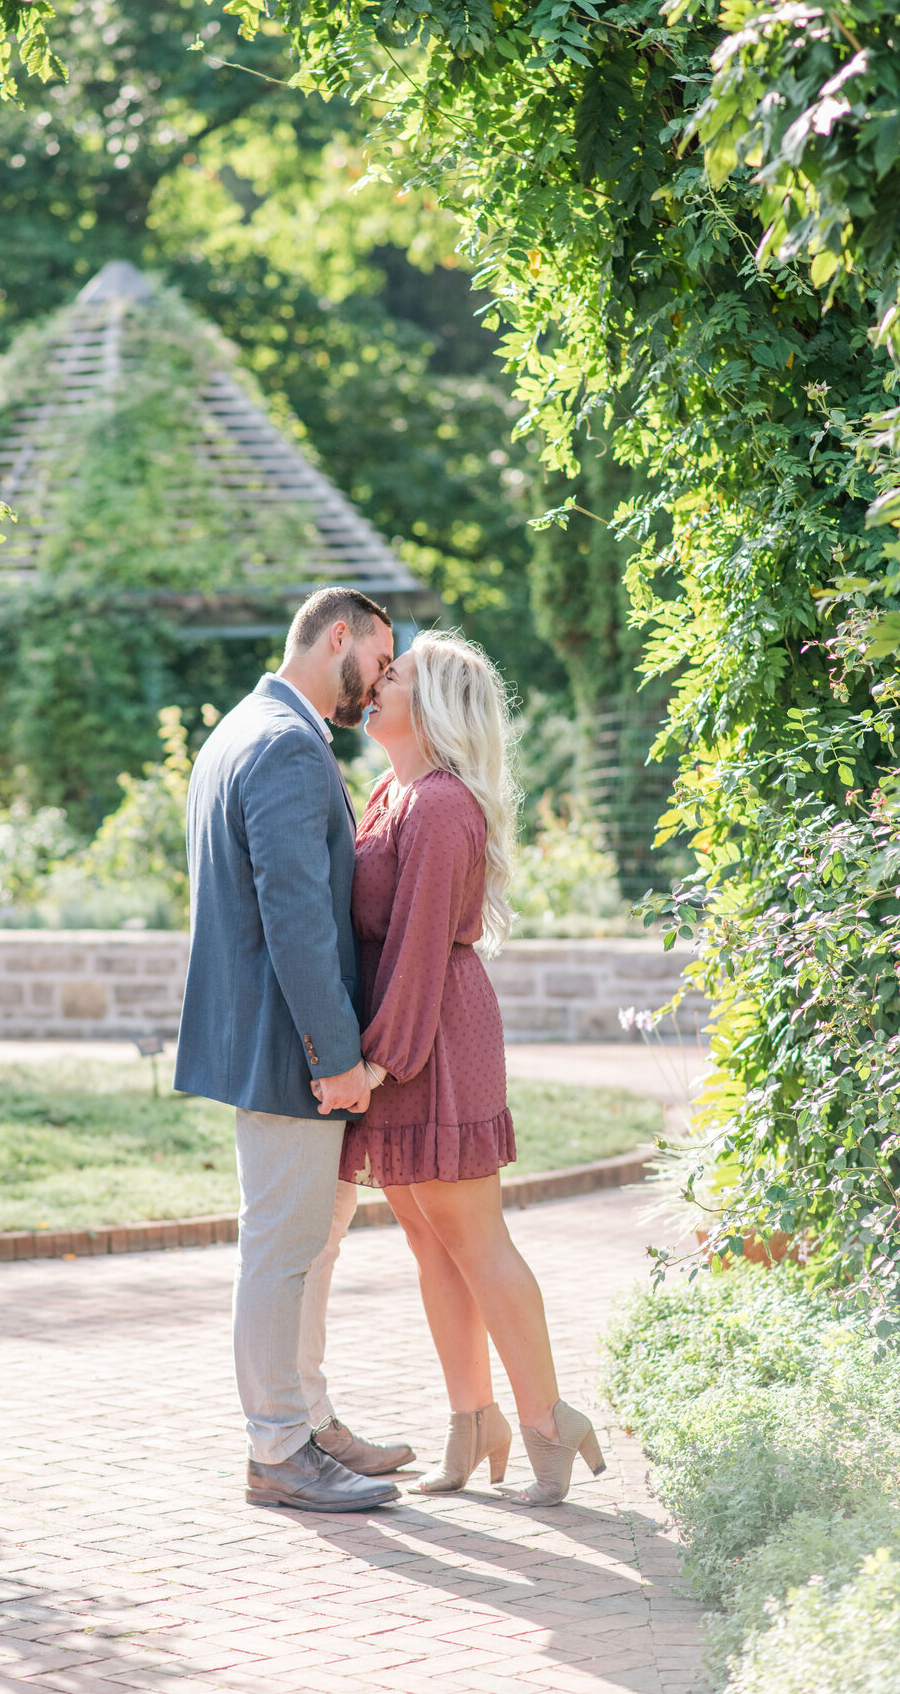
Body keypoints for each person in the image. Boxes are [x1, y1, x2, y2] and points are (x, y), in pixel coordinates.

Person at [317, 631, 607, 1505]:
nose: (373, 684)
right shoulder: (386, 793)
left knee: (475, 1238)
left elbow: (414, 949)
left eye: (392, 675)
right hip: (400, 1032)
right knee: (427, 1239)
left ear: (432, 704)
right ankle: (472, 1420)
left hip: (432, 1036)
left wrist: (380, 1060)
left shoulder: (441, 804)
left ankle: (549, 1420)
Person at [176, 586, 414, 1512]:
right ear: (338, 635)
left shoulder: (246, 726)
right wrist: (335, 1051)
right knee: (282, 1250)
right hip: (289, 1046)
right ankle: (278, 1447)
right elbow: (296, 918)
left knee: (308, 1245)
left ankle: (310, 1421)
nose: (383, 680)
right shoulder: (282, 743)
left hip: (267, 1037)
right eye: (381, 658)